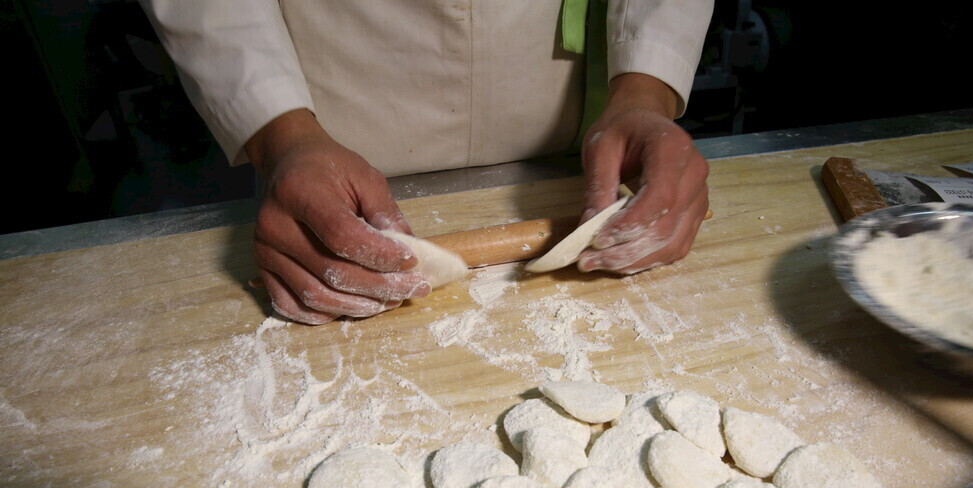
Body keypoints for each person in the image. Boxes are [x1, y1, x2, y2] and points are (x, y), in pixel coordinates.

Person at [140, 1, 713, 324]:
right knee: (325, 217)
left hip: (557, 96)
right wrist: (279, 132)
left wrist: (646, 89)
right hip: (334, 92)